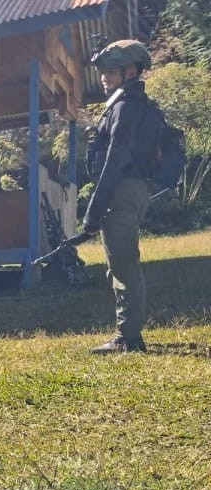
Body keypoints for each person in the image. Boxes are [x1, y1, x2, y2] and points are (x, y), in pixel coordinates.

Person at [83, 40, 161, 354]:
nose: (104, 77)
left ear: (130, 71)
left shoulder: (126, 107)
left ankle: (128, 338)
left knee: (124, 263)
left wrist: (93, 209)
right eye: (102, 71)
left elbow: (115, 159)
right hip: (131, 187)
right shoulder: (132, 104)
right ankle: (128, 334)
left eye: (111, 71)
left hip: (122, 188)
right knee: (120, 261)